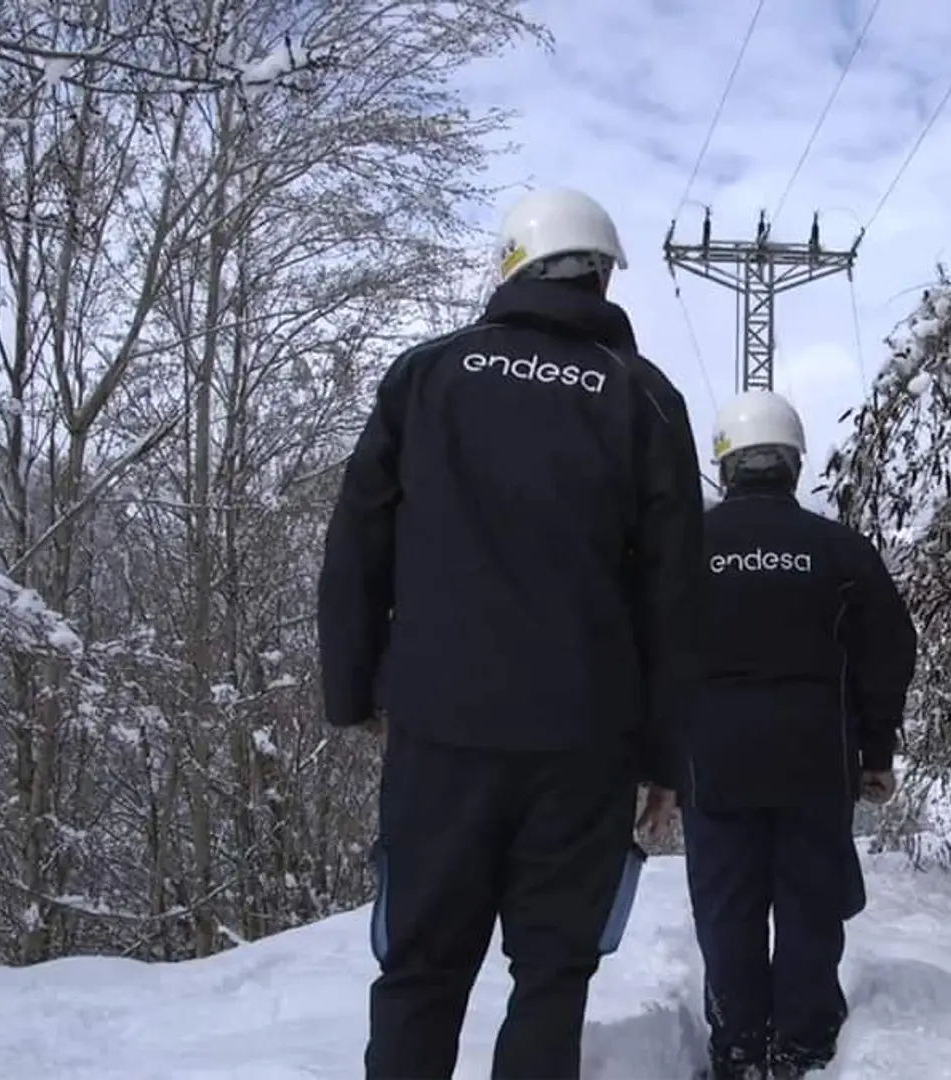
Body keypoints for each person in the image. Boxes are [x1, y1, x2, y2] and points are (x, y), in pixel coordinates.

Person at [316, 186, 705, 1080]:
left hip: (441, 729)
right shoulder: (644, 399)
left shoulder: (428, 374)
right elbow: (676, 595)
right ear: (605, 280)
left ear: (512, 266)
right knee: (552, 977)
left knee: (418, 968)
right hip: (585, 742)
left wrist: (357, 692)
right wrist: (664, 758)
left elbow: (358, 541)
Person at [681, 390, 919, 1080]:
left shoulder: (686, 548)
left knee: (728, 908)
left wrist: (654, 756)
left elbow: (642, 650)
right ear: (793, 464)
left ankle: (737, 1049)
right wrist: (876, 752)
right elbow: (889, 652)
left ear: (725, 464)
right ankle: (804, 1049)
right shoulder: (839, 549)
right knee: (810, 904)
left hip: (714, 763)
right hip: (817, 758)